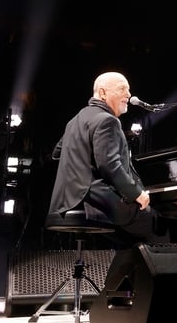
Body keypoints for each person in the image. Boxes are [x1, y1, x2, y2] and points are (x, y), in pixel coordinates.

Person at [48, 71, 169, 248]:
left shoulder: (75, 120)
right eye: (122, 89)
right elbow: (109, 166)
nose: (128, 94)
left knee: (130, 244)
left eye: (128, 90)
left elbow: (57, 153)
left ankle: (122, 275)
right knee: (159, 227)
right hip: (96, 202)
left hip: (69, 201)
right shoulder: (107, 120)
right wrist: (136, 193)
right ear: (103, 93)